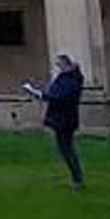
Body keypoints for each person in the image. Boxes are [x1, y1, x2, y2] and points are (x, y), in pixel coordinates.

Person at [24, 54, 85, 191]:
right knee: (66, 149)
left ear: (66, 64)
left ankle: (78, 179)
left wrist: (40, 94)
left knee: (67, 150)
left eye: (59, 64)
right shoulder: (65, 78)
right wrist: (41, 93)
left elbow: (59, 97)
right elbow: (54, 92)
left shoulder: (71, 80)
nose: (58, 67)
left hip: (65, 119)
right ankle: (77, 178)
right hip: (62, 117)